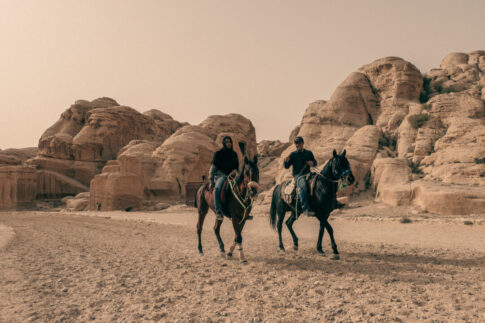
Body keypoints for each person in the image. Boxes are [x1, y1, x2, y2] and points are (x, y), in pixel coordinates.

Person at [284, 136, 317, 216]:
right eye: (296, 144)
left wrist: (312, 163)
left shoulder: (309, 153)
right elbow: (286, 166)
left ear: (302, 143)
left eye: (298, 143)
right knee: (303, 186)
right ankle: (305, 208)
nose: (297, 145)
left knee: (319, 181)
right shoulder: (293, 154)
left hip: (308, 173)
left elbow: (315, 163)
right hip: (298, 176)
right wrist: (285, 161)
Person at [209, 136, 239, 220]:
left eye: (229, 142)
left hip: (232, 176)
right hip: (221, 176)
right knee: (218, 189)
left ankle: (244, 209)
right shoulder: (218, 154)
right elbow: (213, 168)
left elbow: (236, 168)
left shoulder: (234, 154)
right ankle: (218, 210)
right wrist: (211, 181)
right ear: (223, 143)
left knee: (242, 187)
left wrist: (236, 175)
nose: (228, 143)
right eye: (226, 142)